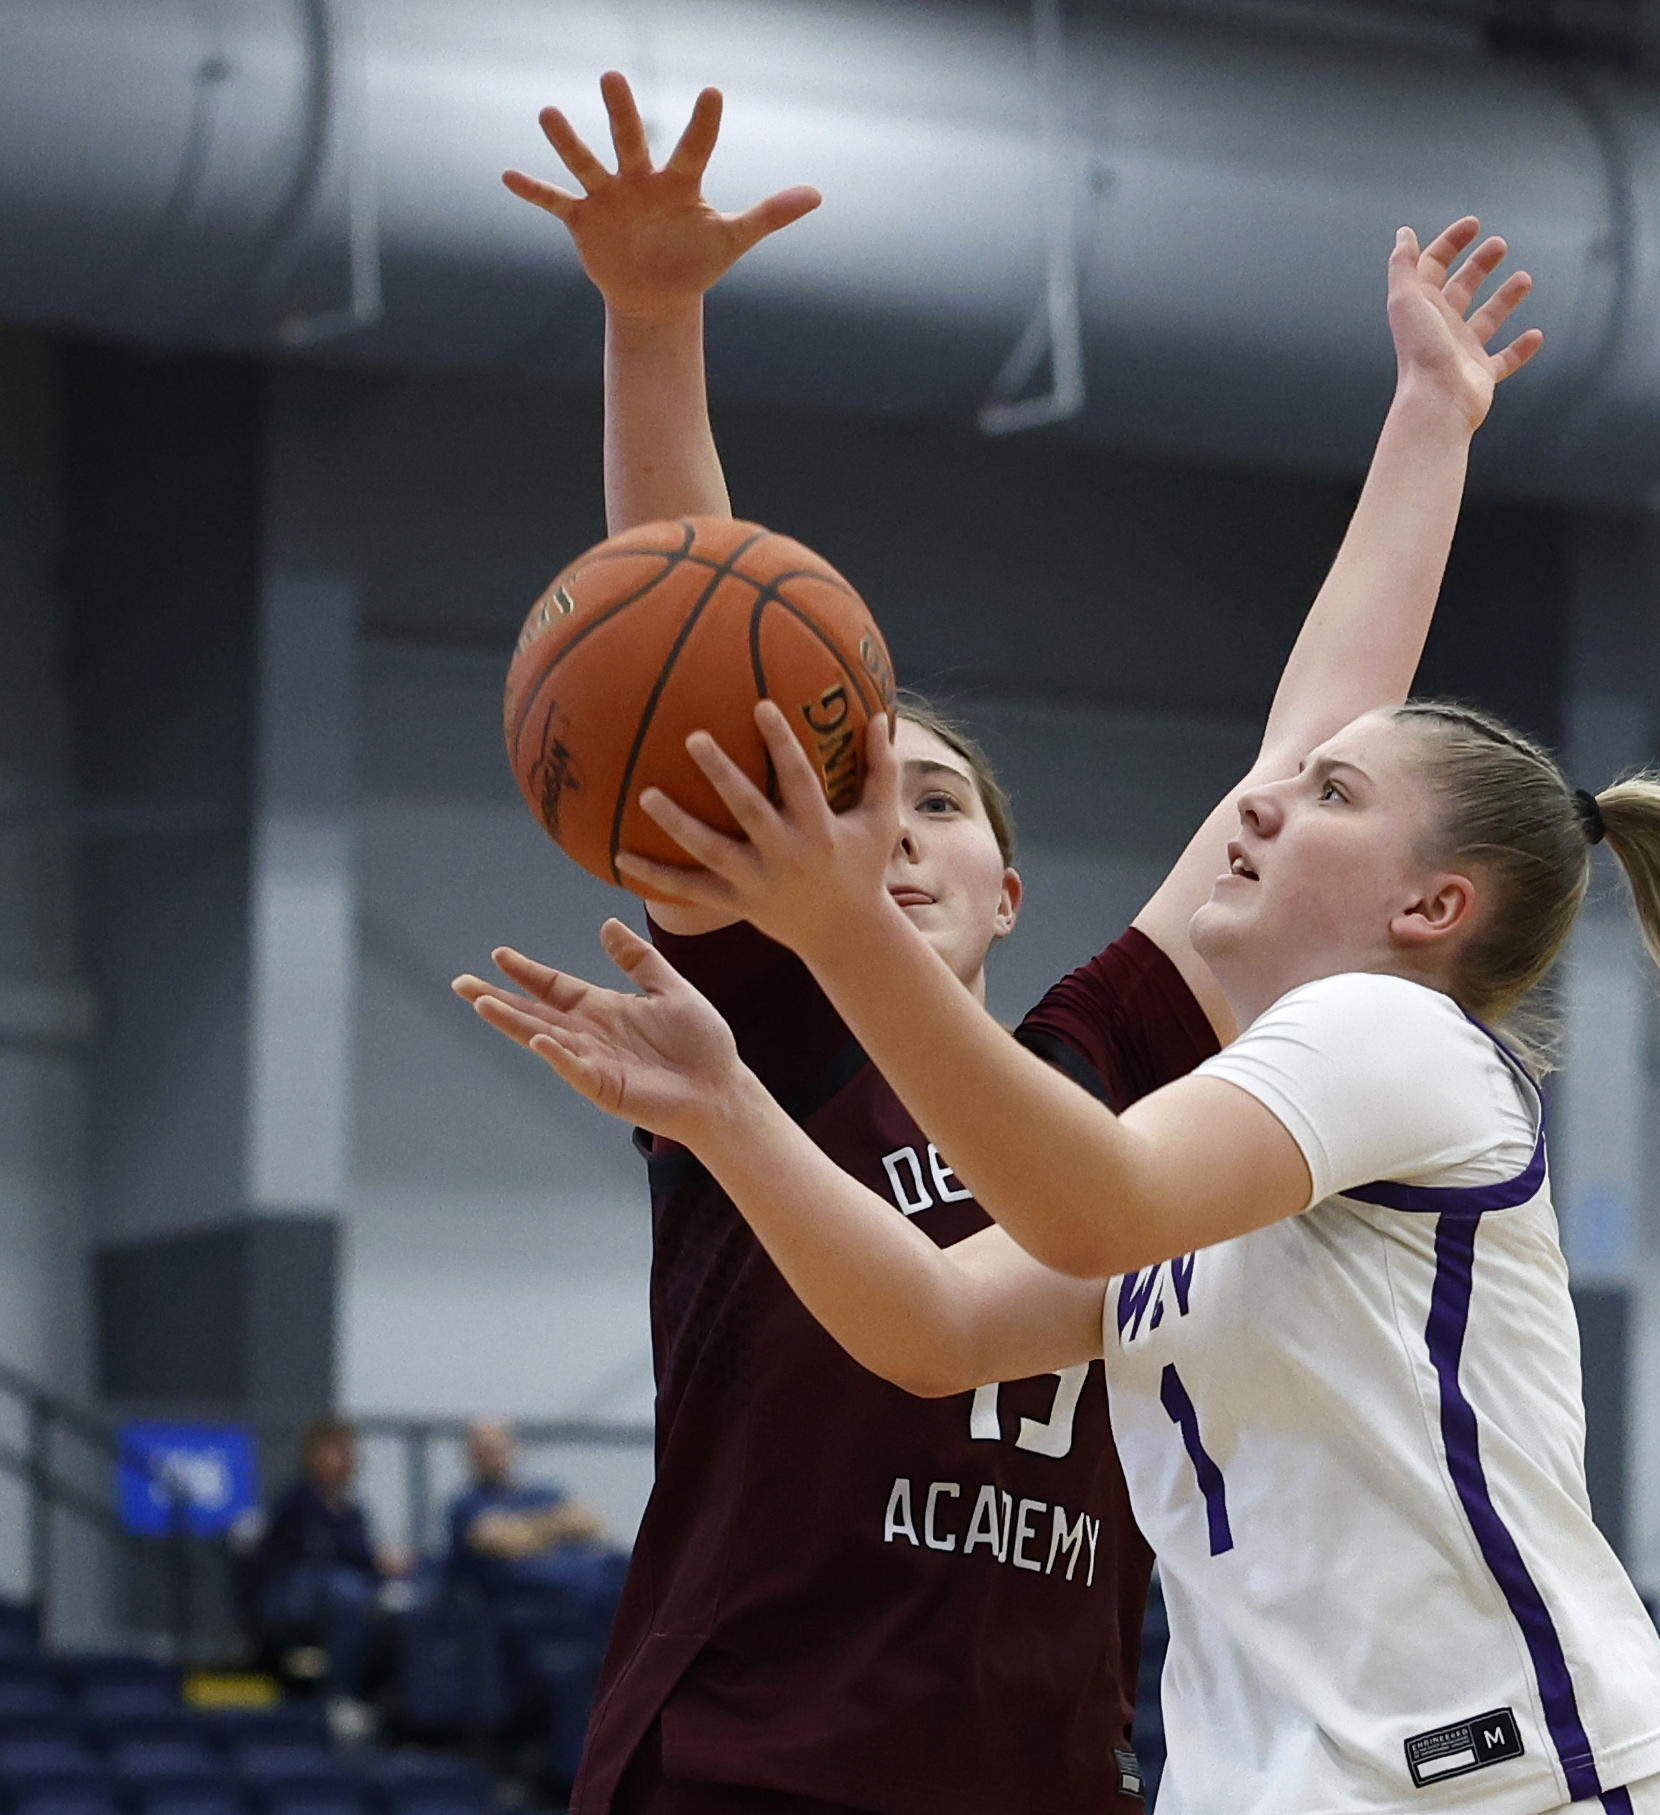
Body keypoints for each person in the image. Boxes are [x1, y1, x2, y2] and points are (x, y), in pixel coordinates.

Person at [462, 687, 1660, 1811]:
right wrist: (728, 1115)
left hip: (1493, 1781)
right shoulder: (1221, 1164)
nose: (1265, 801)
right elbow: (933, 1324)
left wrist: (844, 924)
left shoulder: (1394, 1036)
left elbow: (1080, 1201)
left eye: (1329, 789)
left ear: (1430, 909)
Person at [488, 71, 1542, 1815]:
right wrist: (653, 328)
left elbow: (1304, 761)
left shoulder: (1106, 1079)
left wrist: (1433, 416)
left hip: (1043, 1774)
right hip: (750, 1767)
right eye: (856, 795)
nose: (895, 831)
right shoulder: (779, 1034)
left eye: (938, 804)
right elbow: (686, 650)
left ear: (1007, 893)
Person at [241, 1417, 407, 1720]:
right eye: (334, 1450)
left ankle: (388, 1703)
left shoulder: (353, 1509)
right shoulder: (295, 1502)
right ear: (314, 1454)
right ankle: (339, 1697)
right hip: (293, 1595)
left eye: (347, 1451)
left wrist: (384, 1563)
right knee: (346, 1593)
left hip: (345, 1590)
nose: (342, 1459)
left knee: (393, 1602)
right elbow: (308, 1555)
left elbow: (362, 1557)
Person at [445, 1418, 614, 1601]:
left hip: (583, 1586)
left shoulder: (544, 1493)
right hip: (519, 1600)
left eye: (497, 1447)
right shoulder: (467, 1504)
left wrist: (526, 1530)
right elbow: (497, 1540)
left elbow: (590, 1523)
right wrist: (558, 1529)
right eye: (484, 1450)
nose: (492, 1456)